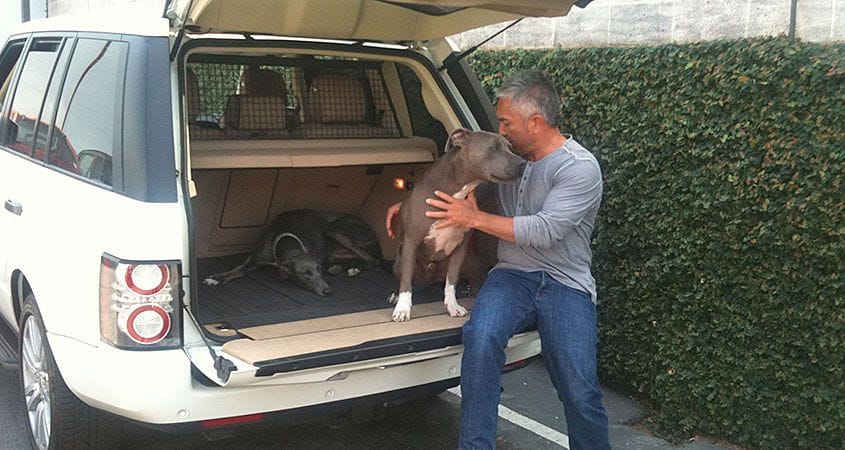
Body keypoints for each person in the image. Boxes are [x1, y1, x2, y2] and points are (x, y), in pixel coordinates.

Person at [385, 69, 610, 450]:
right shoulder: (506, 163)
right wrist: (409, 208)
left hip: (565, 282)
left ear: (535, 122)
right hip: (512, 276)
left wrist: (472, 219)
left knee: (579, 385)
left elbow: (544, 231)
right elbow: (455, 182)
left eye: (506, 123)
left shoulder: (578, 168)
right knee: (481, 339)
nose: (501, 132)